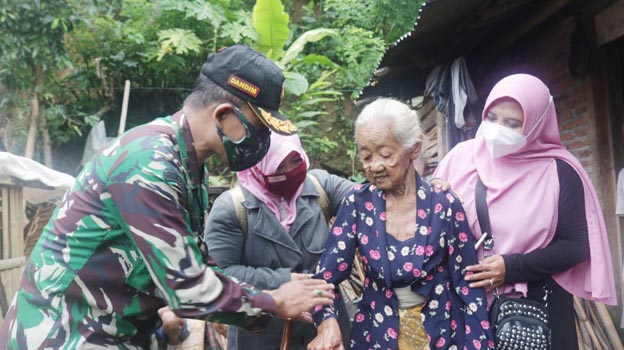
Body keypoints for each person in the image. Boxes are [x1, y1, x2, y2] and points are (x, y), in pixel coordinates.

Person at [0, 45, 335, 349]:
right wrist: (274, 301)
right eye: (258, 127)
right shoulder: (148, 164)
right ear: (223, 115)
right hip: (63, 334)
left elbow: (197, 264)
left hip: (110, 333)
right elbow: (187, 288)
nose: (262, 140)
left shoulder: (189, 168)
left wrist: (281, 291)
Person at [434, 73, 617, 349]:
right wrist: (435, 201)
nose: (497, 129)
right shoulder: (460, 158)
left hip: (535, 311)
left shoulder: (559, 171)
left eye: (512, 124)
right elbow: (431, 229)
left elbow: (576, 247)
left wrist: (511, 268)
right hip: (467, 306)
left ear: (536, 124)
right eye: (492, 118)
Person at [309, 98, 493, 350]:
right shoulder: (357, 204)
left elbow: (467, 284)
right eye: (366, 156)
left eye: (385, 154)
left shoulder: (445, 204)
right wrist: (326, 322)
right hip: (377, 337)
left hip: (442, 335)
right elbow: (323, 278)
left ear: (414, 149)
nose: (374, 165)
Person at [201, 132, 355, 350]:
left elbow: (367, 201)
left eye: (295, 160)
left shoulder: (320, 186)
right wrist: (284, 281)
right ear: (258, 164)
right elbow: (217, 274)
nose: (290, 171)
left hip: (328, 333)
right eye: (279, 166)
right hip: (260, 336)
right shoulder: (232, 209)